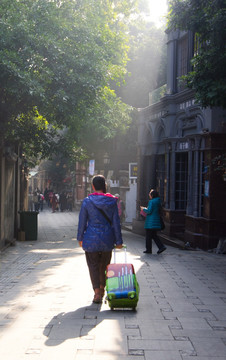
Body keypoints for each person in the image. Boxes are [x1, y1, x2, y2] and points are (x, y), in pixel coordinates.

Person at [77, 175, 123, 304]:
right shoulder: (112, 202)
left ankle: (97, 292)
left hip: (91, 239)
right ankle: (102, 289)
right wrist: (118, 241)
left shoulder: (87, 201)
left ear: (93, 186)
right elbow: (116, 223)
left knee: (93, 266)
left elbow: (82, 222)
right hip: (107, 239)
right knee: (104, 265)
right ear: (105, 186)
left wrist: (80, 238)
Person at [140, 189, 166, 255]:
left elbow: (149, 211)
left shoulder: (151, 202)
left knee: (148, 236)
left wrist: (143, 209)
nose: (149, 195)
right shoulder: (158, 201)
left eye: (150, 194)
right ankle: (161, 247)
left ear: (152, 195)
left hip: (151, 222)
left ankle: (149, 249)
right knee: (154, 235)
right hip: (156, 220)